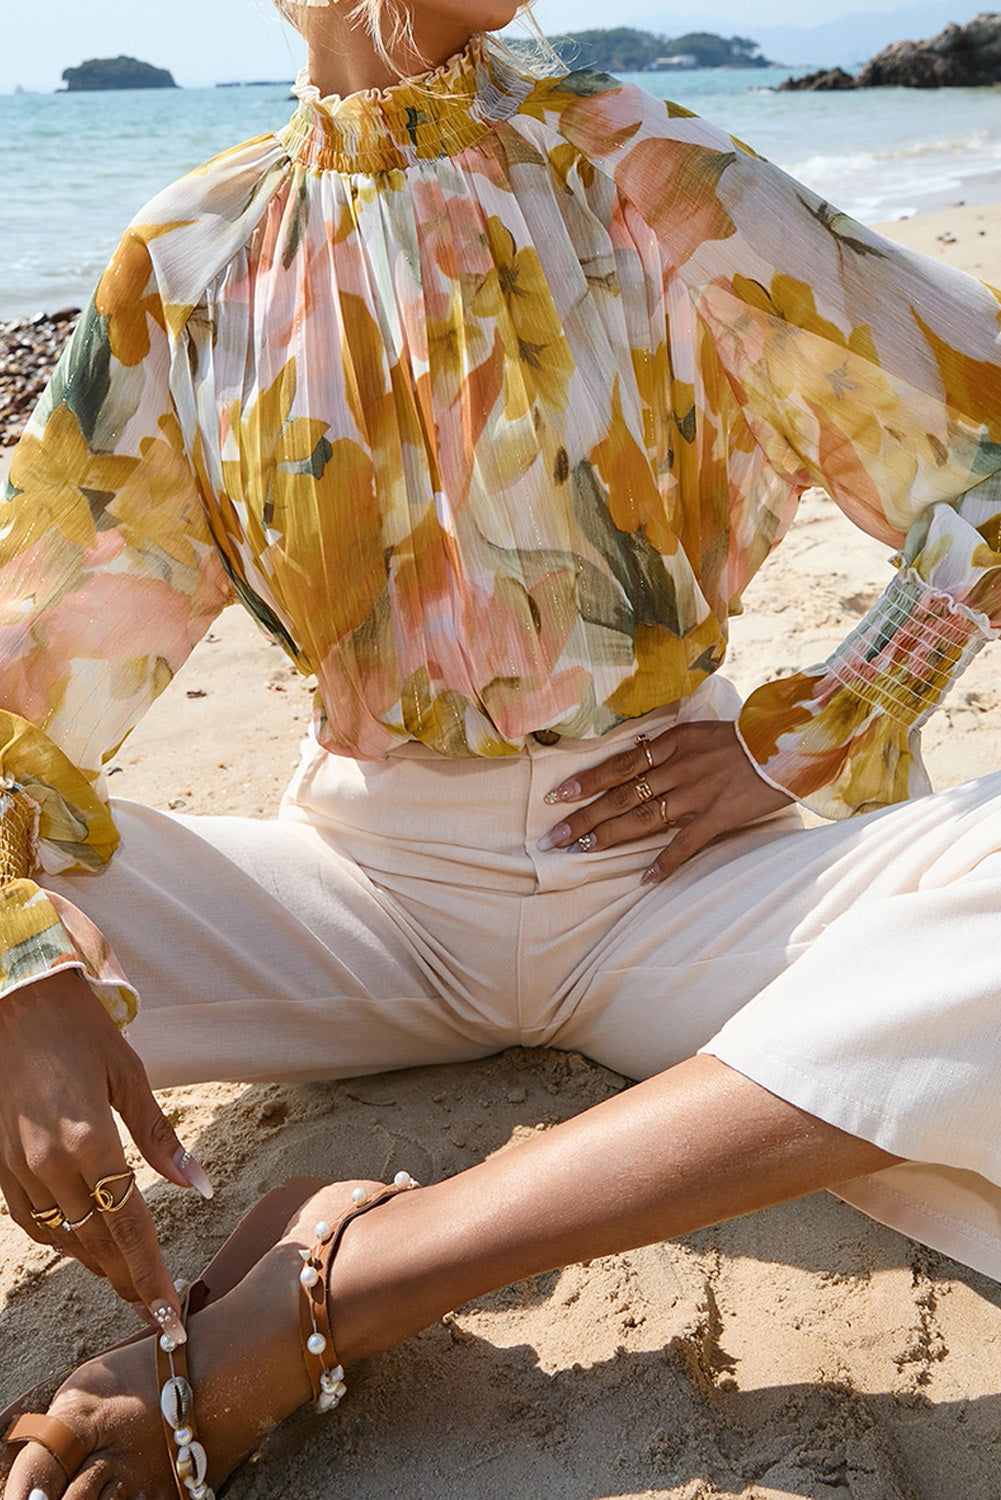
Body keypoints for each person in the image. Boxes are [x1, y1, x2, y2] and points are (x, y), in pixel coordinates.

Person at [2, 0, 1001, 1494]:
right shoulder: (193, 258)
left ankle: (370, 1269)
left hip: (693, 888)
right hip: (355, 904)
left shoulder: (648, 163)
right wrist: (22, 970)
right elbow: (23, 693)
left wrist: (817, 726)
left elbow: (984, 442)